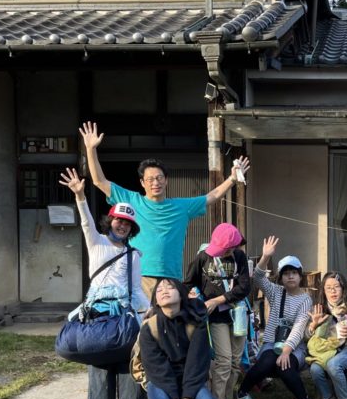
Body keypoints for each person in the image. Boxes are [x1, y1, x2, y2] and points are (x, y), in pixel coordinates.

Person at [79, 120, 250, 300]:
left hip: (171, 278)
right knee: (142, 318)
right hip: (139, 276)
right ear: (142, 182)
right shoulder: (132, 200)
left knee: (171, 318)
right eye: (150, 179)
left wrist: (232, 179)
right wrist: (90, 149)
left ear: (166, 180)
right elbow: (99, 181)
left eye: (160, 178)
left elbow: (212, 196)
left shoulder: (182, 206)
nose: (156, 183)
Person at [59, 167, 149, 399]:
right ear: (110, 221)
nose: (122, 225)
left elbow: (136, 289)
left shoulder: (133, 255)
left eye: (127, 223)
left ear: (132, 229)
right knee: (98, 358)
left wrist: (149, 311)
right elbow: (86, 222)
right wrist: (80, 196)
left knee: (128, 356)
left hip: (122, 313)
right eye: (118, 220)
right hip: (96, 312)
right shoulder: (96, 243)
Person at [131, 278, 223, 399]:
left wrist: (187, 395)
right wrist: (174, 397)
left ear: (181, 294)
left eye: (170, 287)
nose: (164, 291)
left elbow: (197, 361)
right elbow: (156, 367)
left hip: (191, 377)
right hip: (161, 379)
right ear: (156, 301)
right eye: (159, 290)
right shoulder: (149, 327)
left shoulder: (196, 321)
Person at [234, 236, 314, 399]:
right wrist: (265, 256)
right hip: (271, 342)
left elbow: (299, 327)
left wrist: (286, 350)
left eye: (294, 272)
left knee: (285, 365)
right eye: (286, 273)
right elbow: (258, 278)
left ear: (300, 276)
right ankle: (242, 394)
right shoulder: (276, 292)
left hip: (295, 347)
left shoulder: (305, 299)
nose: (290, 276)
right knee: (267, 361)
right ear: (280, 277)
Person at [184, 222, 251, 399]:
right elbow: (188, 283)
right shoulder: (203, 257)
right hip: (216, 318)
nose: (221, 253)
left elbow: (244, 288)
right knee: (223, 359)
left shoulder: (239, 257)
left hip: (238, 314)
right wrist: (193, 295)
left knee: (236, 360)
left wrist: (218, 300)